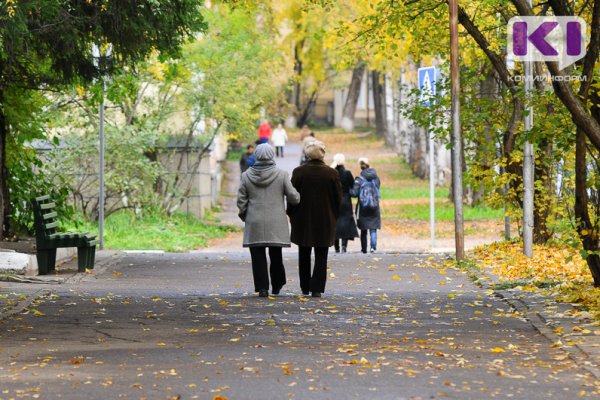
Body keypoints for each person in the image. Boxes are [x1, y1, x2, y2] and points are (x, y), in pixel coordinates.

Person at [237, 144, 300, 297]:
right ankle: (277, 284)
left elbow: (241, 200)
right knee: (275, 253)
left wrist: (246, 216)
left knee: (257, 255)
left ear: (257, 155)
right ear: (272, 155)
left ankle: (262, 287)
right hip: (276, 221)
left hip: (255, 220)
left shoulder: (246, 176)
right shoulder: (282, 175)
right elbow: (294, 197)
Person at [288, 141, 342, 297]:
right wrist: (334, 215)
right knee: (321, 254)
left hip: (302, 219)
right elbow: (338, 198)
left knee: (303, 253)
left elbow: (292, 196)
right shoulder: (331, 173)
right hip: (325, 219)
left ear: (307, 155)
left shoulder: (299, 172)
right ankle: (317, 288)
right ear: (323, 155)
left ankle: (305, 286)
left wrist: (291, 213)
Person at [351, 157, 381, 254]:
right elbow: (378, 188)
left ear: (361, 167)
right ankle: (373, 248)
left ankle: (364, 249)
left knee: (364, 229)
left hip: (362, 207)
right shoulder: (376, 178)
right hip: (374, 206)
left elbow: (355, 194)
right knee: (373, 229)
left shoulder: (359, 179)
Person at [330, 153, 358, 253]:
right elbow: (353, 186)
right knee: (345, 223)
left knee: (335, 223)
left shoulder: (331, 173)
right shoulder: (347, 173)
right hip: (346, 200)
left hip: (334, 201)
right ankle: (344, 246)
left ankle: (336, 247)